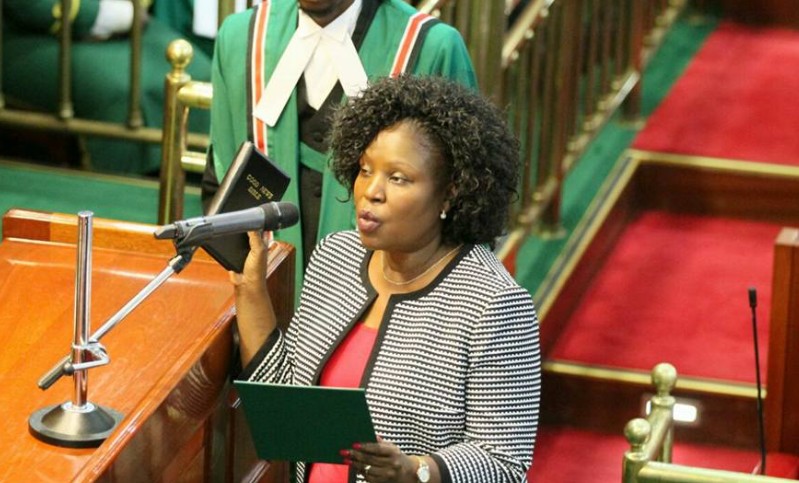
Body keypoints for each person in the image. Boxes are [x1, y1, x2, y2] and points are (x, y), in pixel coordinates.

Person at [233, 75, 541, 483]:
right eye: (365, 170)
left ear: (451, 193)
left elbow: (505, 463)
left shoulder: (493, 303)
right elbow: (291, 411)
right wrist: (250, 289)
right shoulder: (336, 258)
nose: (371, 192)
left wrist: (417, 471)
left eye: (398, 178)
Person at [201, 0, 477, 289]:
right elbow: (219, 181)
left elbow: (463, 210)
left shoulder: (431, 47)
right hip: (265, 296)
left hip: (388, 302)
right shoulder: (240, 37)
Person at [2, 0, 212, 175]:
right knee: (122, 94)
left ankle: (194, 185)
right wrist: (106, 15)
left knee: (199, 71)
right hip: (24, 33)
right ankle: (118, 203)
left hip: (126, 22)